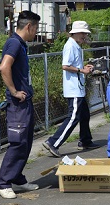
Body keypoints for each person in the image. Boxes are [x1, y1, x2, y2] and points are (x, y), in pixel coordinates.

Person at [0, 10, 41, 199]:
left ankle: (17, 179)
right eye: (36, 28)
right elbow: (4, 66)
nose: (36, 32)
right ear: (29, 26)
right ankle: (3, 182)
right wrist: (14, 91)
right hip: (17, 103)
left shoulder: (21, 44)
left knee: (26, 141)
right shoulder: (14, 43)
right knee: (17, 143)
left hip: (25, 102)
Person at [43, 21, 100, 158]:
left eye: (85, 34)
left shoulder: (76, 45)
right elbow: (65, 66)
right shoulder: (70, 46)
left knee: (84, 114)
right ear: (76, 33)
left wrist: (85, 68)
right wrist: (82, 70)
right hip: (73, 88)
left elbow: (74, 65)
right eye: (83, 34)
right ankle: (53, 142)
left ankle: (85, 140)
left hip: (78, 87)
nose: (85, 36)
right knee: (73, 117)